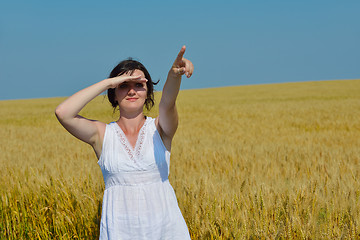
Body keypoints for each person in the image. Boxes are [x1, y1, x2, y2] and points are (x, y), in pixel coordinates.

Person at [55, 46, 194, 239]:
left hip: (166, 231)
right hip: (120, 232)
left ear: (148, 93)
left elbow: (168, 103)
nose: (131, 91)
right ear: (113, 93)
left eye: (139, 85)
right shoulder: (102, 135)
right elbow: (63, 113)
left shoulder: (160, 129)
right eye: (123, 85)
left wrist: (174, 74)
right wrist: (108, 82)